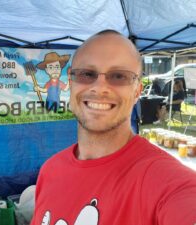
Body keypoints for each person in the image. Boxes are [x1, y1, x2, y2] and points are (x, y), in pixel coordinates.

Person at [30, 30, 196, 225]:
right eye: (86, 74)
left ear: (137, 91)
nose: (100, 87)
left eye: (119, 76)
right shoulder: (50, 171)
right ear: (71, 82)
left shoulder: (166, 182)